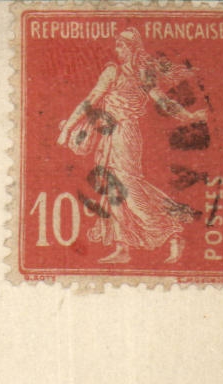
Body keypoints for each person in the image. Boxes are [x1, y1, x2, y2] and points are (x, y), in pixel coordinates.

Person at [56, 28, 210, 264]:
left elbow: (162, 102)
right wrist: (67, 128)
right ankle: (123, 247)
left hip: (125, 135)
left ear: (132, 49)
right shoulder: (117, 72)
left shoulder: (136, 74)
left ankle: (171, 232)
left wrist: (188, 117)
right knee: (112, 191)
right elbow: (91, 101)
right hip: (111, 135)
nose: (117, 50)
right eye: (117, 45)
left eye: (121, 46)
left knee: (129, 189)